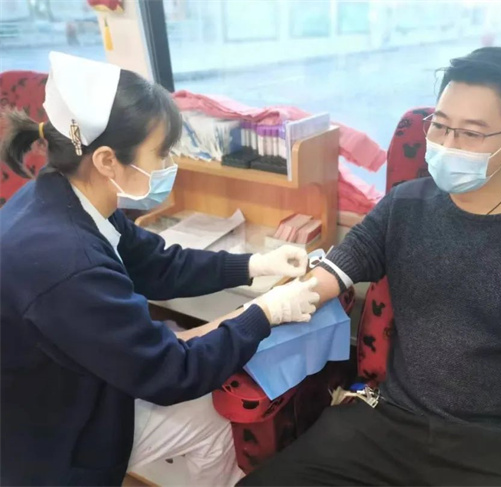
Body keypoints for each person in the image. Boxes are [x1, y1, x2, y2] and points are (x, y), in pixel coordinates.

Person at [239, 47, 501, 487]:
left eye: (471, 133)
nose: (448, 145)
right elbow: (334, 272)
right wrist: (248, 317)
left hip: (491, 444)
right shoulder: (405, 206)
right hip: (390, 422)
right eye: (440, 126)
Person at [0, 52, 319, 486]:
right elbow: (174, 372)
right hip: (51, 438)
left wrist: (254, 264)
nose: (167, 167)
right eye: (161, 154)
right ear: (107, 161)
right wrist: (265, 313)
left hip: (62, 383)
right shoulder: (70, 265)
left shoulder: (64, 196)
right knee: (210, 416)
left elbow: (159, 264)